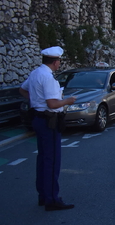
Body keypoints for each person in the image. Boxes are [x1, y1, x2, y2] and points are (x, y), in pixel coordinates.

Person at [19, 47, 77, 211]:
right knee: (52, 161)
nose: (59, 64)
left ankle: (43, 196)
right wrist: (68, 101)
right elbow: (52, 104)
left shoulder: (35, 73)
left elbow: (22, 89)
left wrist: (36, 101)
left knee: (43, 159)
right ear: (55, 62)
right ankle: (52, 199)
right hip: (49, 121)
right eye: (59, 61)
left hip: (38, 118)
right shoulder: (48, 78)